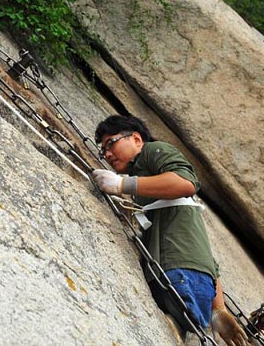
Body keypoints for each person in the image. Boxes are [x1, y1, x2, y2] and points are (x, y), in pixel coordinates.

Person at [92, 115, 247, 346]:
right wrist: (218, 308)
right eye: (102, 150)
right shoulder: (148, 184)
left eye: (110, 143)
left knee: (177, 314)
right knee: (179, 317)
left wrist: (122, 185)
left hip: (180, 272)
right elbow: (202, 248)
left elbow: (185, 182)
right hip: (187, 275)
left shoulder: (154, 151)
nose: (106, 154)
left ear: (136, 138)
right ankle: (189, 319)